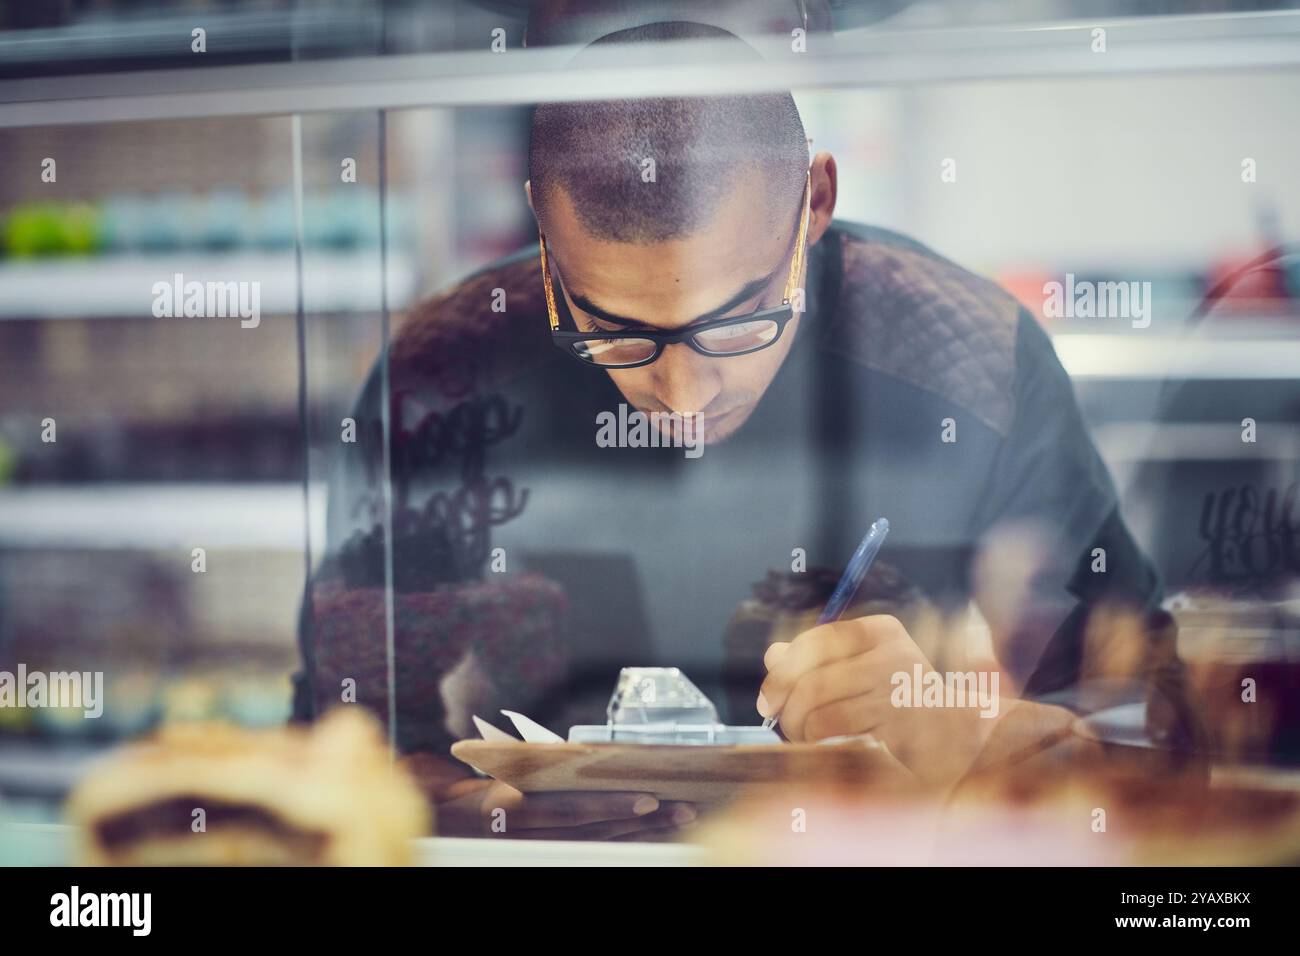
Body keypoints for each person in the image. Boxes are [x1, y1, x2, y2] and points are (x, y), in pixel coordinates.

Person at [294, 21, 1204, 840]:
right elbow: (337, 744)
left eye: (736, 322)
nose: (683, 392)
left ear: (814, 202)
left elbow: (1166, 749)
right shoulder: (444, 371)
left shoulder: (970, 353)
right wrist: (471, 813)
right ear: (544, 237)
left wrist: (959, 725)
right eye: (612, 331)